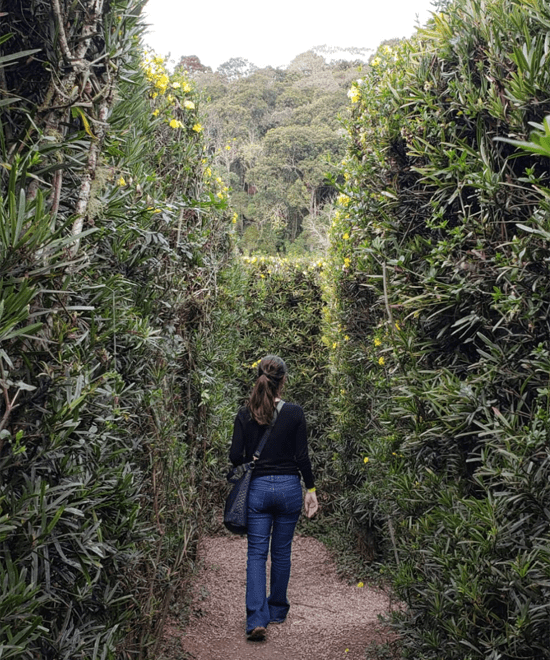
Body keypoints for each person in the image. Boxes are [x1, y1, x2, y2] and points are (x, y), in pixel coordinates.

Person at [229, 355, 318, 641]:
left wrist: (252, 458)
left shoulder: (245, 414)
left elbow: (234, 457)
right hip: (290, 488)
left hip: (258, 490)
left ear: (258, 378)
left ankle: (257, 618)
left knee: (256, 554)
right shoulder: (294, 413)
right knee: (281, 552)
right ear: (284, 381)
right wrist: (311, 491)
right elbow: (302, 457)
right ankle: (277, 609)